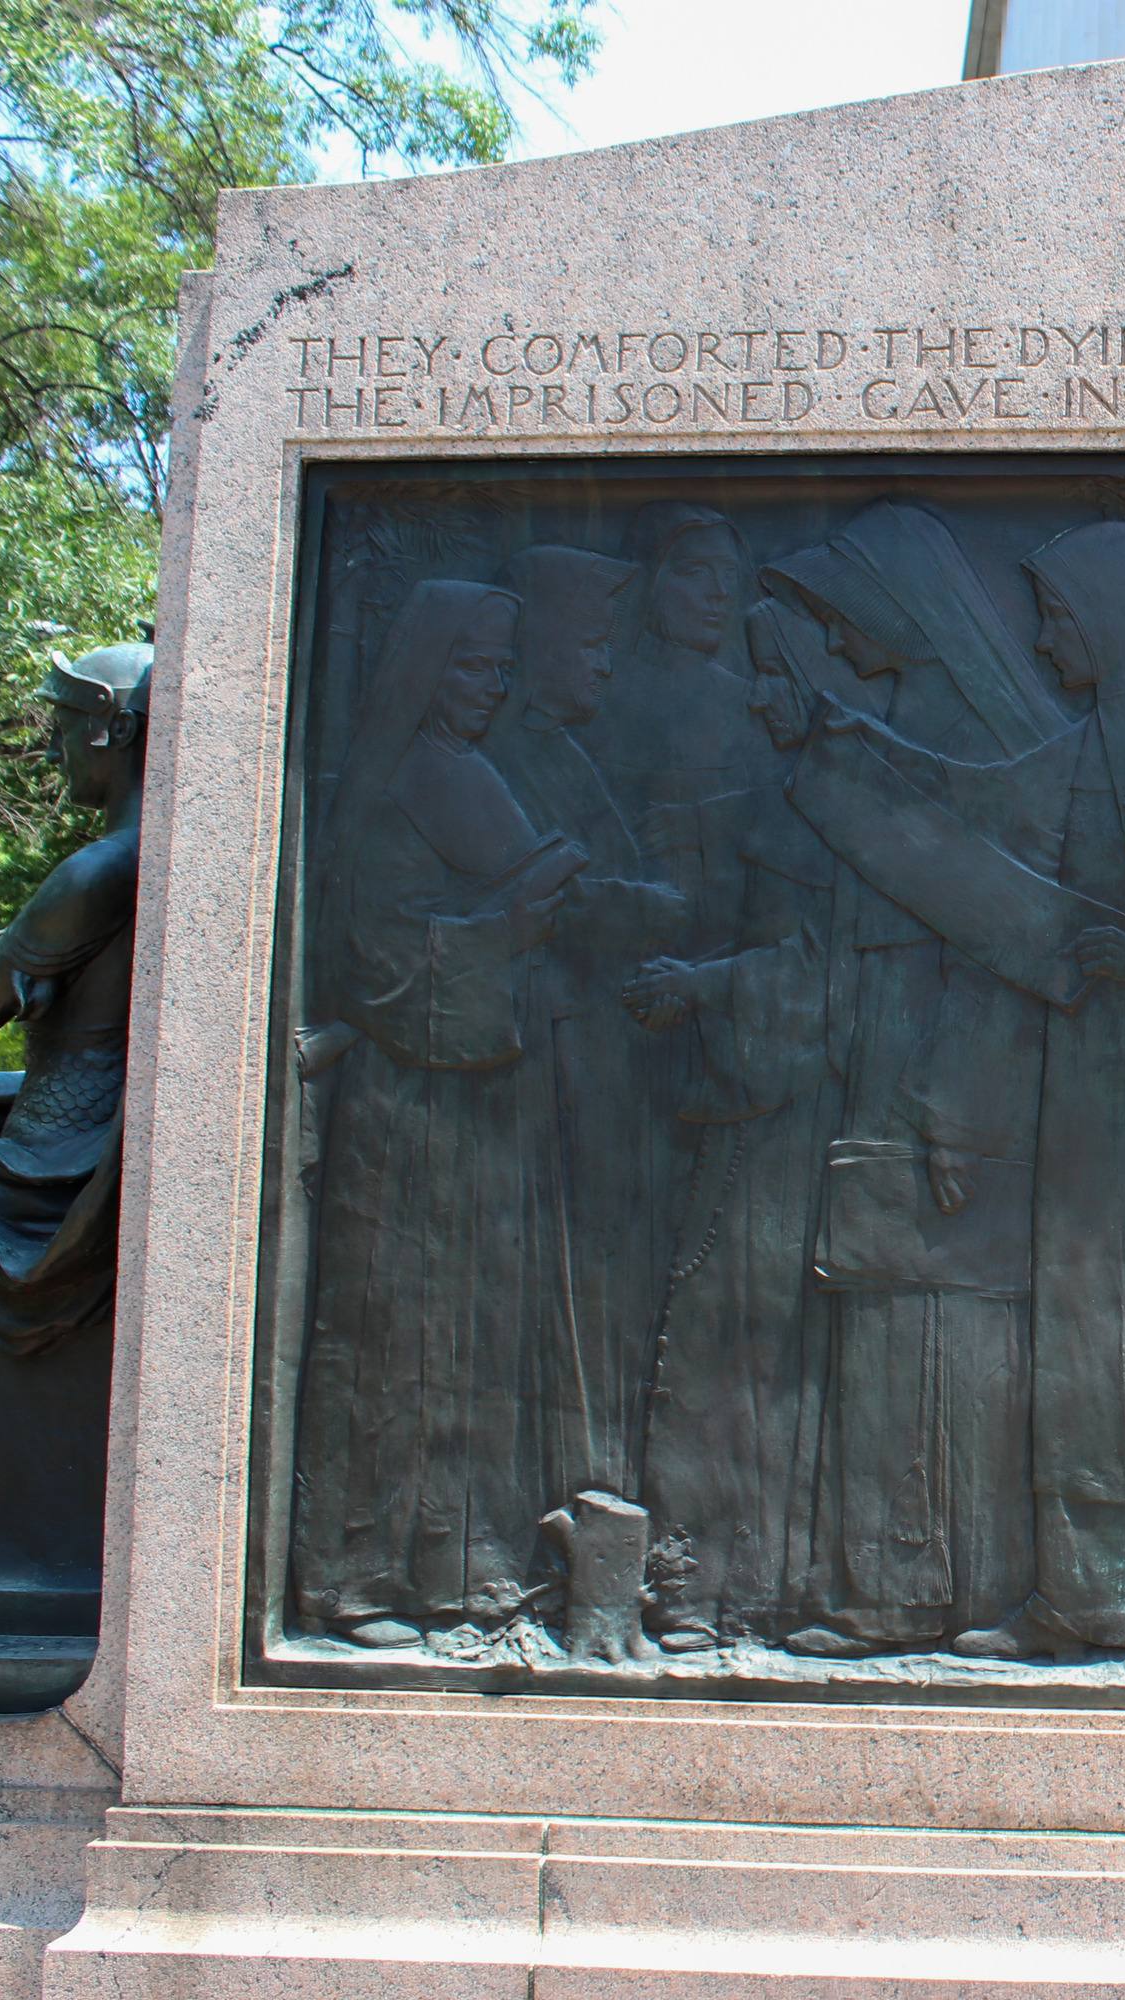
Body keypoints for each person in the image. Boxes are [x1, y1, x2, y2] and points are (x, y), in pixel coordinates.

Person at [788, 520, 1125, 1663]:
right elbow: (987, 830)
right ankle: (1090, 1590)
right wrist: (834, 757)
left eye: (1061, 615)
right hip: (1091, 1085)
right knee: (1090, 1332)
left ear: (1124, 617)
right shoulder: (1097, 739)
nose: (1041, 637)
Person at [633, 500, 1071, 1653]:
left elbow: (997, 942)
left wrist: (948, 1099)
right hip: (877, 1079)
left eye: (822, 633)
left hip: (935, 1097)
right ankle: (882, 1587)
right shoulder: (863, 759)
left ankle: (919, 1592)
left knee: (924, 1330)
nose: (777, 684)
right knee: (880, 1329)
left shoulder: (928, 754)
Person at [288, 582, 589, 1644]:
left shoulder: (475, 772)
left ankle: (461, 1561)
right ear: (425, 670)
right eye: (472, 666)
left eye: (503, 669)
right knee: (396, 1326)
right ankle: (358, 1574)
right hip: (409, 1100)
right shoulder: (397, 785)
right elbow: (369, 960)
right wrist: (500, 929)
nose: (491, 686)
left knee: (477, 1330)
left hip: (485, 1092)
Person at [0, 643, 150, 1608]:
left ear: (110, 730)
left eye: (63, 726)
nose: (55, 748)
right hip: (76, 1137)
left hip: (49, 1175)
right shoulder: (164, 863)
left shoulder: (98, 871)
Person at [482, 546, 687, 1517]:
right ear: (544, 647)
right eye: (592, 644)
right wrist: (658, 902)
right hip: (552, 1048)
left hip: (605, 1048)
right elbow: (564, 895)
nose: (606, 665)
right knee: (572, 1274)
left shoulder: (562, 747)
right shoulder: (512, 751)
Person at [578, 502, 778, 958]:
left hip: (731, 958)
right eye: (696, 572)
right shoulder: (596, 703)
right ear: (648, 581)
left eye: (729, 572)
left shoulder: (750, 704)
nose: (721, 592)